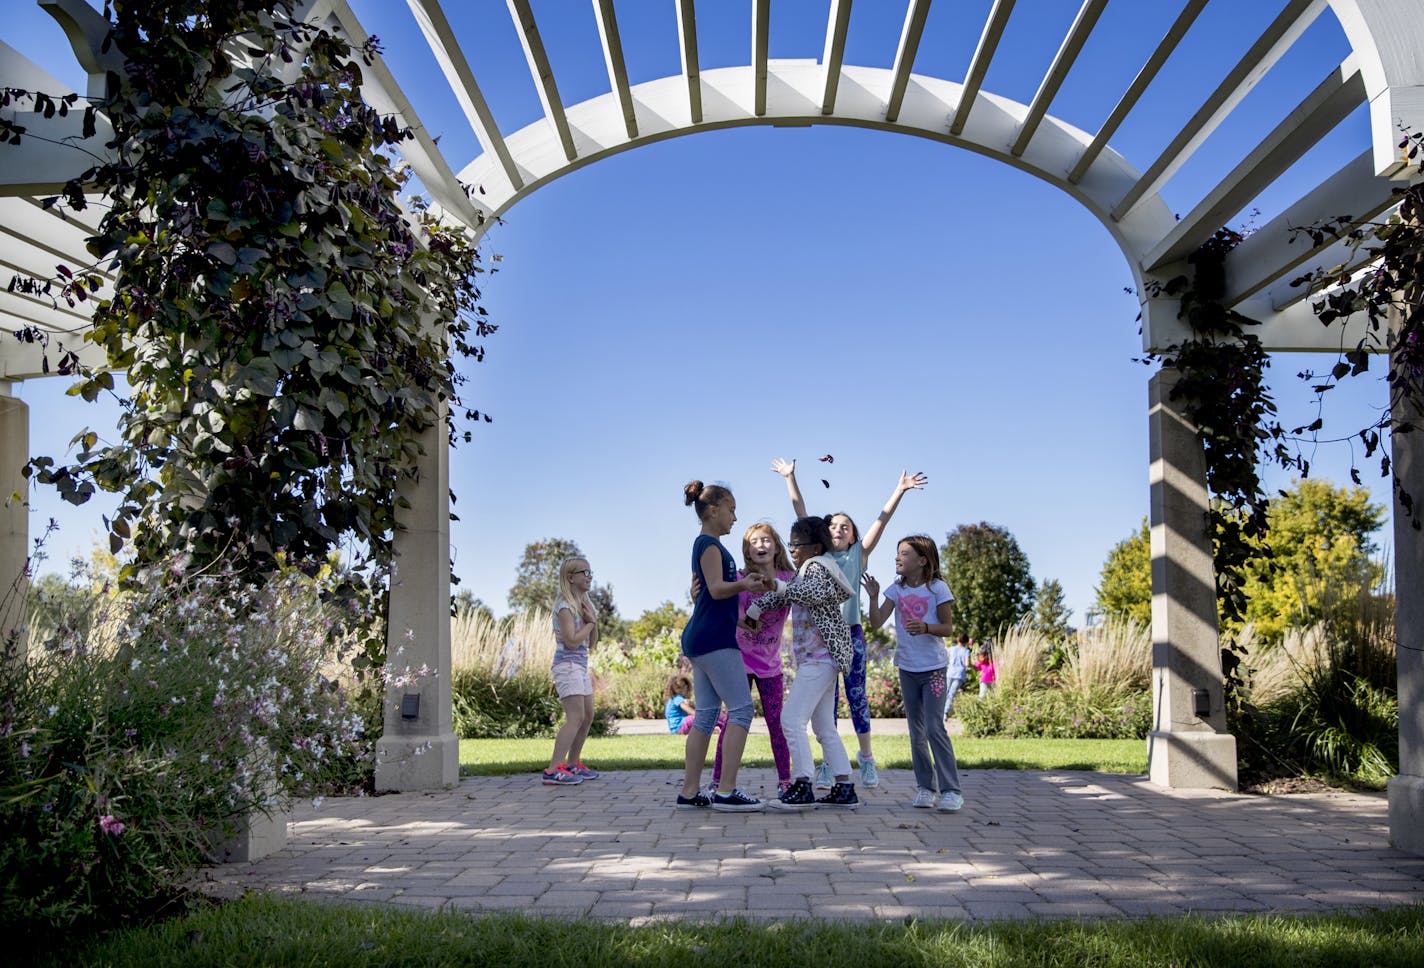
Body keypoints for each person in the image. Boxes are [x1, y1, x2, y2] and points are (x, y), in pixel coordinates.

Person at [771, 458, 926, 790]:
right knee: (826, 713)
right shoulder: (813, 555)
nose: (838, 529)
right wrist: (790, 478)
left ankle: (865, 759)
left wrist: (899, 490)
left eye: (846, 526)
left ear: (854, 535)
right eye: (833, 526)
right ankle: (834, 772)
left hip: (847, 636)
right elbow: (803, 518)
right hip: (820, 641)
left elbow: (881, 521)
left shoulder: (855, 556)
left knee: (855, 696)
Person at [743, 516, 859, 809]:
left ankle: (803, 784)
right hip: (822, 660)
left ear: (816, 546)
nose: (792, 549)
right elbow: (787, 593)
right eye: (791, 544)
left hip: (819, 660)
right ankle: (845, 787)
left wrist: (777, 590)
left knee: (791, 720)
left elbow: (811, 592)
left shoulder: (817, 567)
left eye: (798, 544)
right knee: (824, 728)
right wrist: (756, 607)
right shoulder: (805, 572)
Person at [677, 480, 773, 811]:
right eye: (731, 509)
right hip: (713, 640)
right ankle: (726, 791)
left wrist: (744, 620)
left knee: (705, 715)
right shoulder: (710, 546)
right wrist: (744, 583)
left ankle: (689, 792)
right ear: (714, 510)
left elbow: (713, 599)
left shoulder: (709, 545)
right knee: (742, 710)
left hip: (703, 636)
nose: (735, 516)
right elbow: (717, 590)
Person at [863, 535, 963, 812]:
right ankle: (925, 789)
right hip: (907, 668)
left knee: (933, 727)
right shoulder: (896, 590)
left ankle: (952, 790)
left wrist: (927, 627)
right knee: (916, 731)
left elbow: (948, 627)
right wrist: (873, 597)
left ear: (922, 561)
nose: (897, 558)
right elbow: (875, 622)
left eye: (904, 554)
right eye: (897, 553)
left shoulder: (938, 589)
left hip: (933, 670)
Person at [711, 523, 796, 795]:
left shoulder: (789, 577)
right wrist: (746, 622)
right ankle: (717, 782)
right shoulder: (740, 579)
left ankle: (785, 782)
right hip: (740, 661)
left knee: (776, 723)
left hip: (771, 665)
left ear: (776, 546)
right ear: (747, 550)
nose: (760, 545)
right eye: (754, 541)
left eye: (766, 540)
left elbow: (803, 598)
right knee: (734, 721)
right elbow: (728, 613)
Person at [542, 556, 601, 786]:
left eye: (590, 573)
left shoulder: (584, 605)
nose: (589, 577)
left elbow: (592, 642)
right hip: (566, 667)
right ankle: (553, 769)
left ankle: (573, 764)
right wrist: (589, 623)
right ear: (570, 577)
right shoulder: (565, 606)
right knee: (575, 717)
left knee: (587, 717)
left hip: (579, 667)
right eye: (584, 573)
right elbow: (572, 641)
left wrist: (592, 621)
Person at [945, 633, 972, 716]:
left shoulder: (951, 649)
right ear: (966, 642)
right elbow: (967, 664)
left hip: (950, 672)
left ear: (958, 640)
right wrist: (974, 666)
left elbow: (946, 659)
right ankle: (945, 712)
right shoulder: (966, 651)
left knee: (945, 692)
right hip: (959, 674)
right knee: (952, 693)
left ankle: (938, 711)